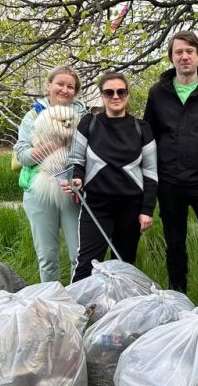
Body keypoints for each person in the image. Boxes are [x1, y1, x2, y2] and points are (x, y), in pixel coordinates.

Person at [144, 30, 198, 292]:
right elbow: (148, 137)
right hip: (169, 181)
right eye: (178, 52)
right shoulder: (158, 93)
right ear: (171, 58)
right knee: (175, 243)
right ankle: (177, 292)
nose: (184, 57)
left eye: (189, 51)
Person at [64, 73, 157, 281]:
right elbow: (76, 159)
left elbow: (151, 171)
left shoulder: (142, 128)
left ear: (128, 94)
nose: (116, 96)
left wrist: (147, 209)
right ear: (102, 95)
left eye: (121, 91)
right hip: (95, 206)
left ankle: (119, 311)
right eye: (109, 92)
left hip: (131, 207)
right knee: (86, 265)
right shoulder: (89, 123)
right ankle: (77, 310)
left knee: (124, 266)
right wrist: (77, 177)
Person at [14, 66, 86, 282]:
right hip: (39, 190)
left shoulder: (84, 117)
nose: (64, 90)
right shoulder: (33, 114)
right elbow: (23, 155)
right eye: (60, 84)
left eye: (70, 86)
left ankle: (81, 302)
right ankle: (51, 304)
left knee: (80, 255)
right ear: (49, 85)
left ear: (76, 91)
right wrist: (57, 142)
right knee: (47, 257)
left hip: (72, 190)